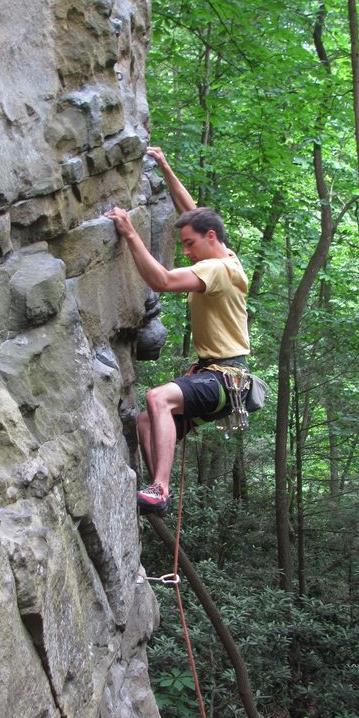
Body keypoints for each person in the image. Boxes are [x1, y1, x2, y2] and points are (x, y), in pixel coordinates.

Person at [106, 147, 250, 515]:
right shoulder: (226, 257)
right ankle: (158, 501)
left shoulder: (217, 270)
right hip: (220, 378)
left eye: (190, 243)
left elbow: (163, 280)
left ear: (211, 237)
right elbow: (192, 214)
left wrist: (130, 233)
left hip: (224, 377)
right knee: (144, 423)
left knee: (158, 399)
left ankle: (159, 488)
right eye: (183, 243)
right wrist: (166, 167)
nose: (186, 251)